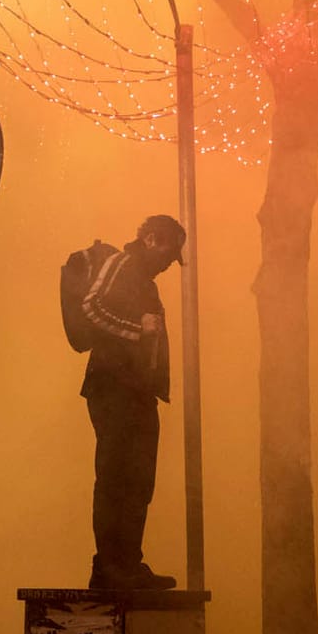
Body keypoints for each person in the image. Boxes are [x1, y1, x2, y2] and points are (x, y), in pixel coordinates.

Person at [80, 214, 186, 590]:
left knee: (139, 481)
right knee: (116, 477)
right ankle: (109, 566)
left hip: (139, 392)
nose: (169, 265)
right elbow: (90, 308)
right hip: (113, 388)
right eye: (170, 254)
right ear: (152, 239)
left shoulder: (144, 281)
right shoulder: (120, 264)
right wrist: (136, 329)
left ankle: (128, 563)